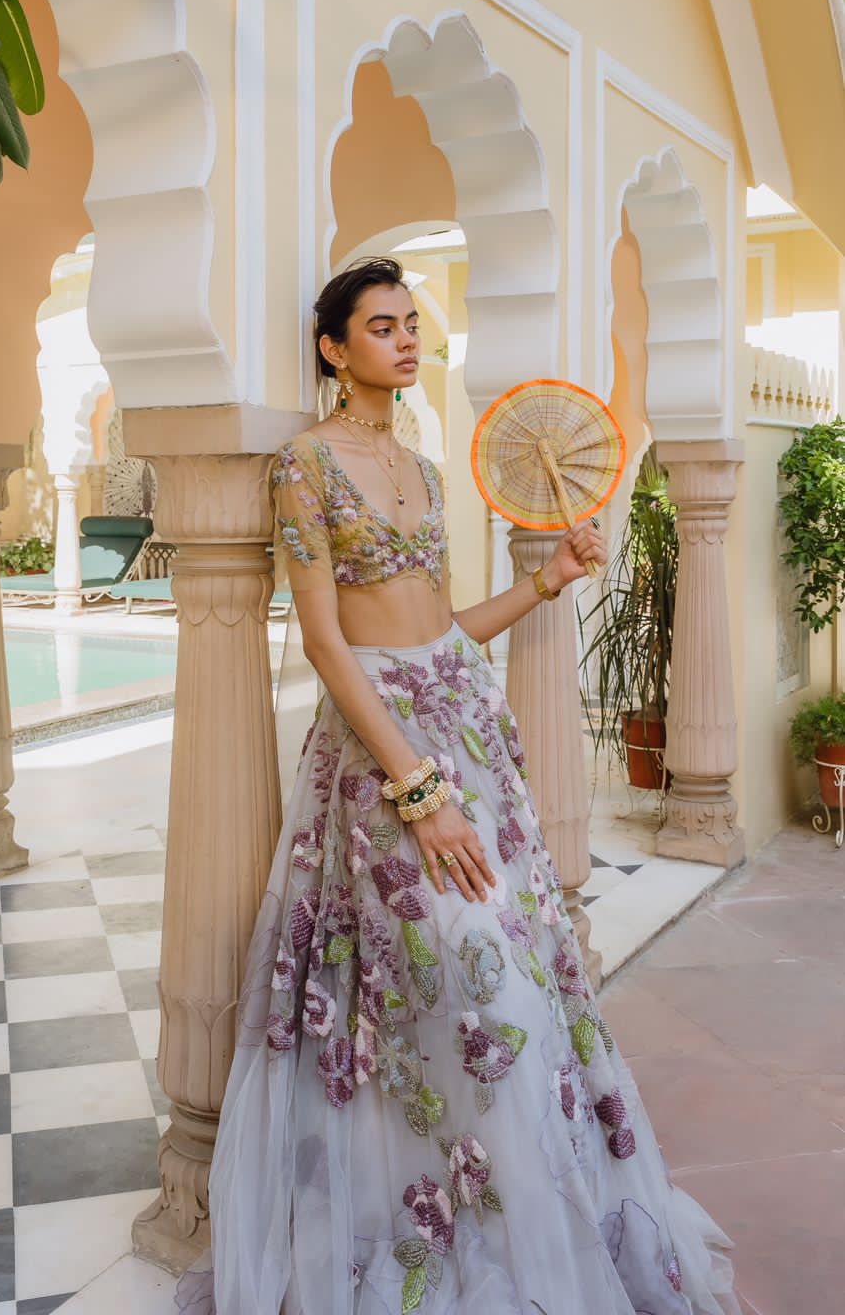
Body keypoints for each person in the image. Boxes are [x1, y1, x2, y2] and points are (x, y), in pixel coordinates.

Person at [176, 257, 740, 1315]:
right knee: (446, 972)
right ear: (333, 348)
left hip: (468, 736)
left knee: (520, 980)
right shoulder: (305, 464)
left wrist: (543, 582)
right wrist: (419, 792)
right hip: (386, 755)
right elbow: (328, 643)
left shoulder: (426, 472)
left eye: (410, 324)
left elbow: (441, 630)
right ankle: (421, 1213)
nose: (405, 340)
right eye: (380, 325)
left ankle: (519, 1215)